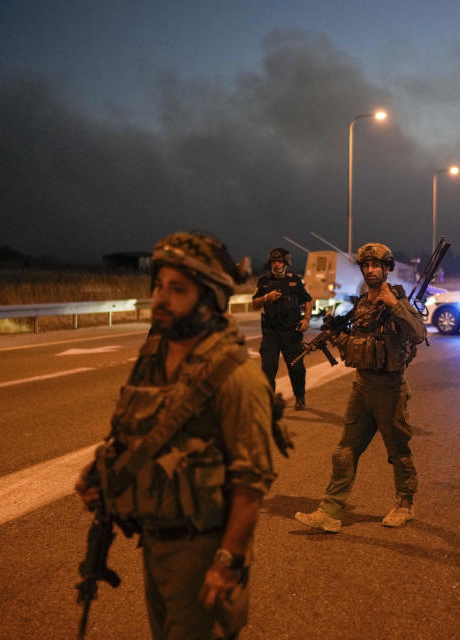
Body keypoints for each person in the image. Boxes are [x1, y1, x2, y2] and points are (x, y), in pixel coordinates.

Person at [75, 232, 288, 640]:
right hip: (155, 544)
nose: (160, 298)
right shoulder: (154, 352)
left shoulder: (238, 377)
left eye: (177, 289)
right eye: (158, 286)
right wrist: (99, 472)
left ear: (209, 299)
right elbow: (132, 427)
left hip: (203, 550)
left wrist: (228, 561)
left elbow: (251, 481)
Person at [294, 242, 427, 532]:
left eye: (375, 265)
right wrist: (338, 337)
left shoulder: (398, 300)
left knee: (398, 451)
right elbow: (358, 340)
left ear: (387, 268)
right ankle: (329, 511)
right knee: (344, 450)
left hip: (390, 388)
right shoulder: (362, 303)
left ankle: (405, 505)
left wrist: (394, 305)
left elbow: (419, 333)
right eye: (365, 266)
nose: (370, 270)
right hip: (362, 386)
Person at [252, 247, 313, 410]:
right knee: (268, 368)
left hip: (291, 332)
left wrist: (306, 319)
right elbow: (254, 304)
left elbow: (308, 300)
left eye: (280, 261)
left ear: (286, 263)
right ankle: (267, 401)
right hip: (271, 333)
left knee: (297, 367)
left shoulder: (295, 280)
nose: (276, 265)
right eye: (274, 261)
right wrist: (266, 297)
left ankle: (300, 397)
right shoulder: (263, 281)